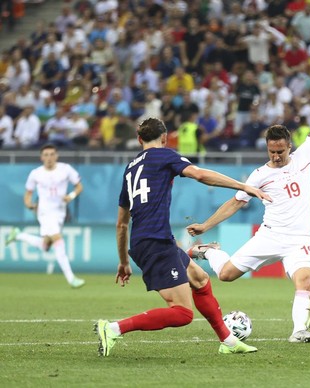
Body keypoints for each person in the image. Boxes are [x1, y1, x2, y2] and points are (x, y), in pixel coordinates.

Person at [185, 71, 310, 344]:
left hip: (299, 239)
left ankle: (299, 331)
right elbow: (235, 203)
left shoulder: (304, 156)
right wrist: (206, 226)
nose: (276, 157)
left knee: (306, 279)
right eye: (271, 152)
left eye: (280, 151)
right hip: (270, 235)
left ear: (289, 146)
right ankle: (208, 251)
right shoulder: (259, 175)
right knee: (226, 275)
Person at [94, 117, 271, 357]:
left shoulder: (130, 169)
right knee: (182, 313)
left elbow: (121, 224)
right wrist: (244, 186)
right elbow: (198, 174)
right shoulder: (164, 155)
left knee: (199, 280)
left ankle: (228, 341)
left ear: (139, 140)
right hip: (155, 241)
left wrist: (124, 261)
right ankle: (113, 328)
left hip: (149, 240)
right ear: (165, 138)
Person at [5, 144, 85, 288]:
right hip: (44, 211)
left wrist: (71, 196)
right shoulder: (36, 173)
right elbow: (28, 194)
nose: (49, 158)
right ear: (42, 157)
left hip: (60, 211)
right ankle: (71, 278)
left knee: (45, 245)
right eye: (46, 155)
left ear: (57, 155)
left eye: (52, 154)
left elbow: (79, 186)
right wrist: (29, 204)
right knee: (57, 239)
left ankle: (18, 235)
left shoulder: (65, 169)